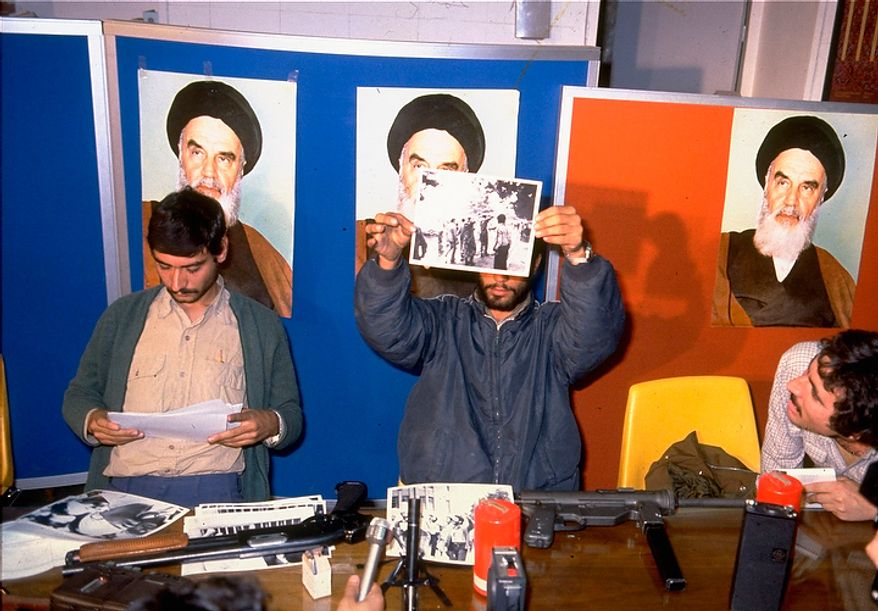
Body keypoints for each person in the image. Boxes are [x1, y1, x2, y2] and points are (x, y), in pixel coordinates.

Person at [355, 205, 624, 491]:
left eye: (513, 265)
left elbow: (594, 333)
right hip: (443, 493)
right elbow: (385, 327)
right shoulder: (442, 320)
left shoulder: (552, 329)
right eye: (491, 265)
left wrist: (578, 255)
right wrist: (388, 262)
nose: (500, 278)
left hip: (535, 496)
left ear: (535, 265)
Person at [63, 189, 302, 507]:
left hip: (219, 490)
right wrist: (93, 419)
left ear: (221, 250)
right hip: (124, 487)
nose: (176, 283)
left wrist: (270, 423)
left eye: (192, 268)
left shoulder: (261, 325)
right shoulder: (122, 317)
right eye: (164, 266)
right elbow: (79, 395)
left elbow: (290, 414)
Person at [143, 79, 293, 317]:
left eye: (223, 159)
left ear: (240, 169)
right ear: (181, 155)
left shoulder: (260, 251)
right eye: (197, 153)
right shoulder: (138, 224)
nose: (209, 173)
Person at [713, 115, 854, 327]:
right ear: (766, 184)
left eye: (806, 188)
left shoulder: (835, 276)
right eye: (783, 183)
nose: (791, 201)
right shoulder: (720, 251)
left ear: (820, 198)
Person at [355, 93, 487, 298]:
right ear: (401, 169)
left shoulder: (485, 251)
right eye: (419, 166)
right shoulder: (361, 242)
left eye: (446, 170)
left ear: (466, 176)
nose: (429, 183)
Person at [761, 330, 878, 520]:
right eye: (808, 372)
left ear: (853, 431)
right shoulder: (798, 363)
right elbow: (777, 475)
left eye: (815, 395)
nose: (792, 385)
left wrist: (873, 509)